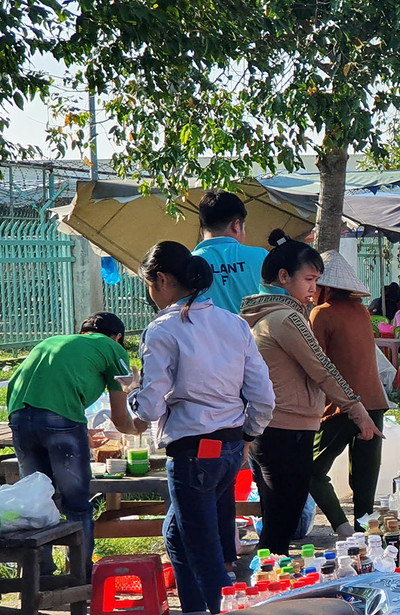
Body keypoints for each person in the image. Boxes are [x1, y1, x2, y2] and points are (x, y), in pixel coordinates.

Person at [125, 241, 275, 613]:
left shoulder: (162, 329)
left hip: (193, 453)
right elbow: (263, 395)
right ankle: (193, 608)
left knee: (207, 556)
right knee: (176, 535)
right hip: (227, 448)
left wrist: (131, 396)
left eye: (148, 285)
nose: (150, 294)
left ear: (160, 280)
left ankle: (220, 607)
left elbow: (150, 405)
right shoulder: (233, 323)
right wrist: (249, 435)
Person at [241, 229, 382, 555]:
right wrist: (356, 409)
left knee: (277, 522)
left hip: (275, 429)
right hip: (285, 432)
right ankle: (267, 594)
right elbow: (322, 367)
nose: (313, 288)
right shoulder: (287, 318)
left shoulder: (262, 316)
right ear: (283, 276)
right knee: (281, 524)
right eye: (308, 279)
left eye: (317, 280)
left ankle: (267, 586)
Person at [5, 312, 131, 577]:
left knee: (37, 498)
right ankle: (80, 578)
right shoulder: (112, 349)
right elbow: (121, 419)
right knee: (76, 503)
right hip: (59, 419)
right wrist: (140, 426)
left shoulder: (53, 342)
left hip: (18, 415)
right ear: (118, 337)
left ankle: (41, 575)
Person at [307, 251, 393, 537]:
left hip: (342, 408)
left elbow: (315, 365)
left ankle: (343, 529)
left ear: (325, 286)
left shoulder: (321, 313)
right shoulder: (361, 310)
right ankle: (365, 538)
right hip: (375, 405)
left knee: (310, 472)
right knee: (365, 487)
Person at [192, 190, 268, 314]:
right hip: (254, 333)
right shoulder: (262, 257)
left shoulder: (187, 263)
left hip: (201, 334)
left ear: (201, 231)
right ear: (236, 225)